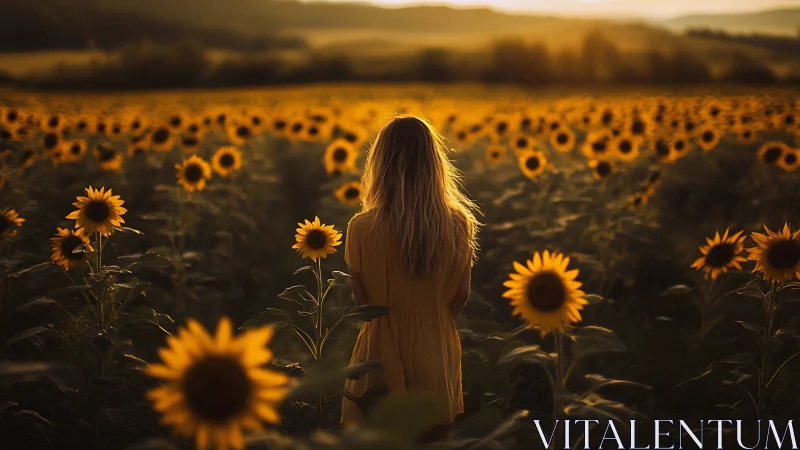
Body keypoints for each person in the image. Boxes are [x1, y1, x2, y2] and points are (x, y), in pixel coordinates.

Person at [340, 115, 480, 442]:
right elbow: (461, 293)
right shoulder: (459, 224)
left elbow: (363, 303)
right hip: (435, 346)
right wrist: (431, 320)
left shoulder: (360, 228)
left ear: (379, 165)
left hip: (379, 352)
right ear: (435, 164)